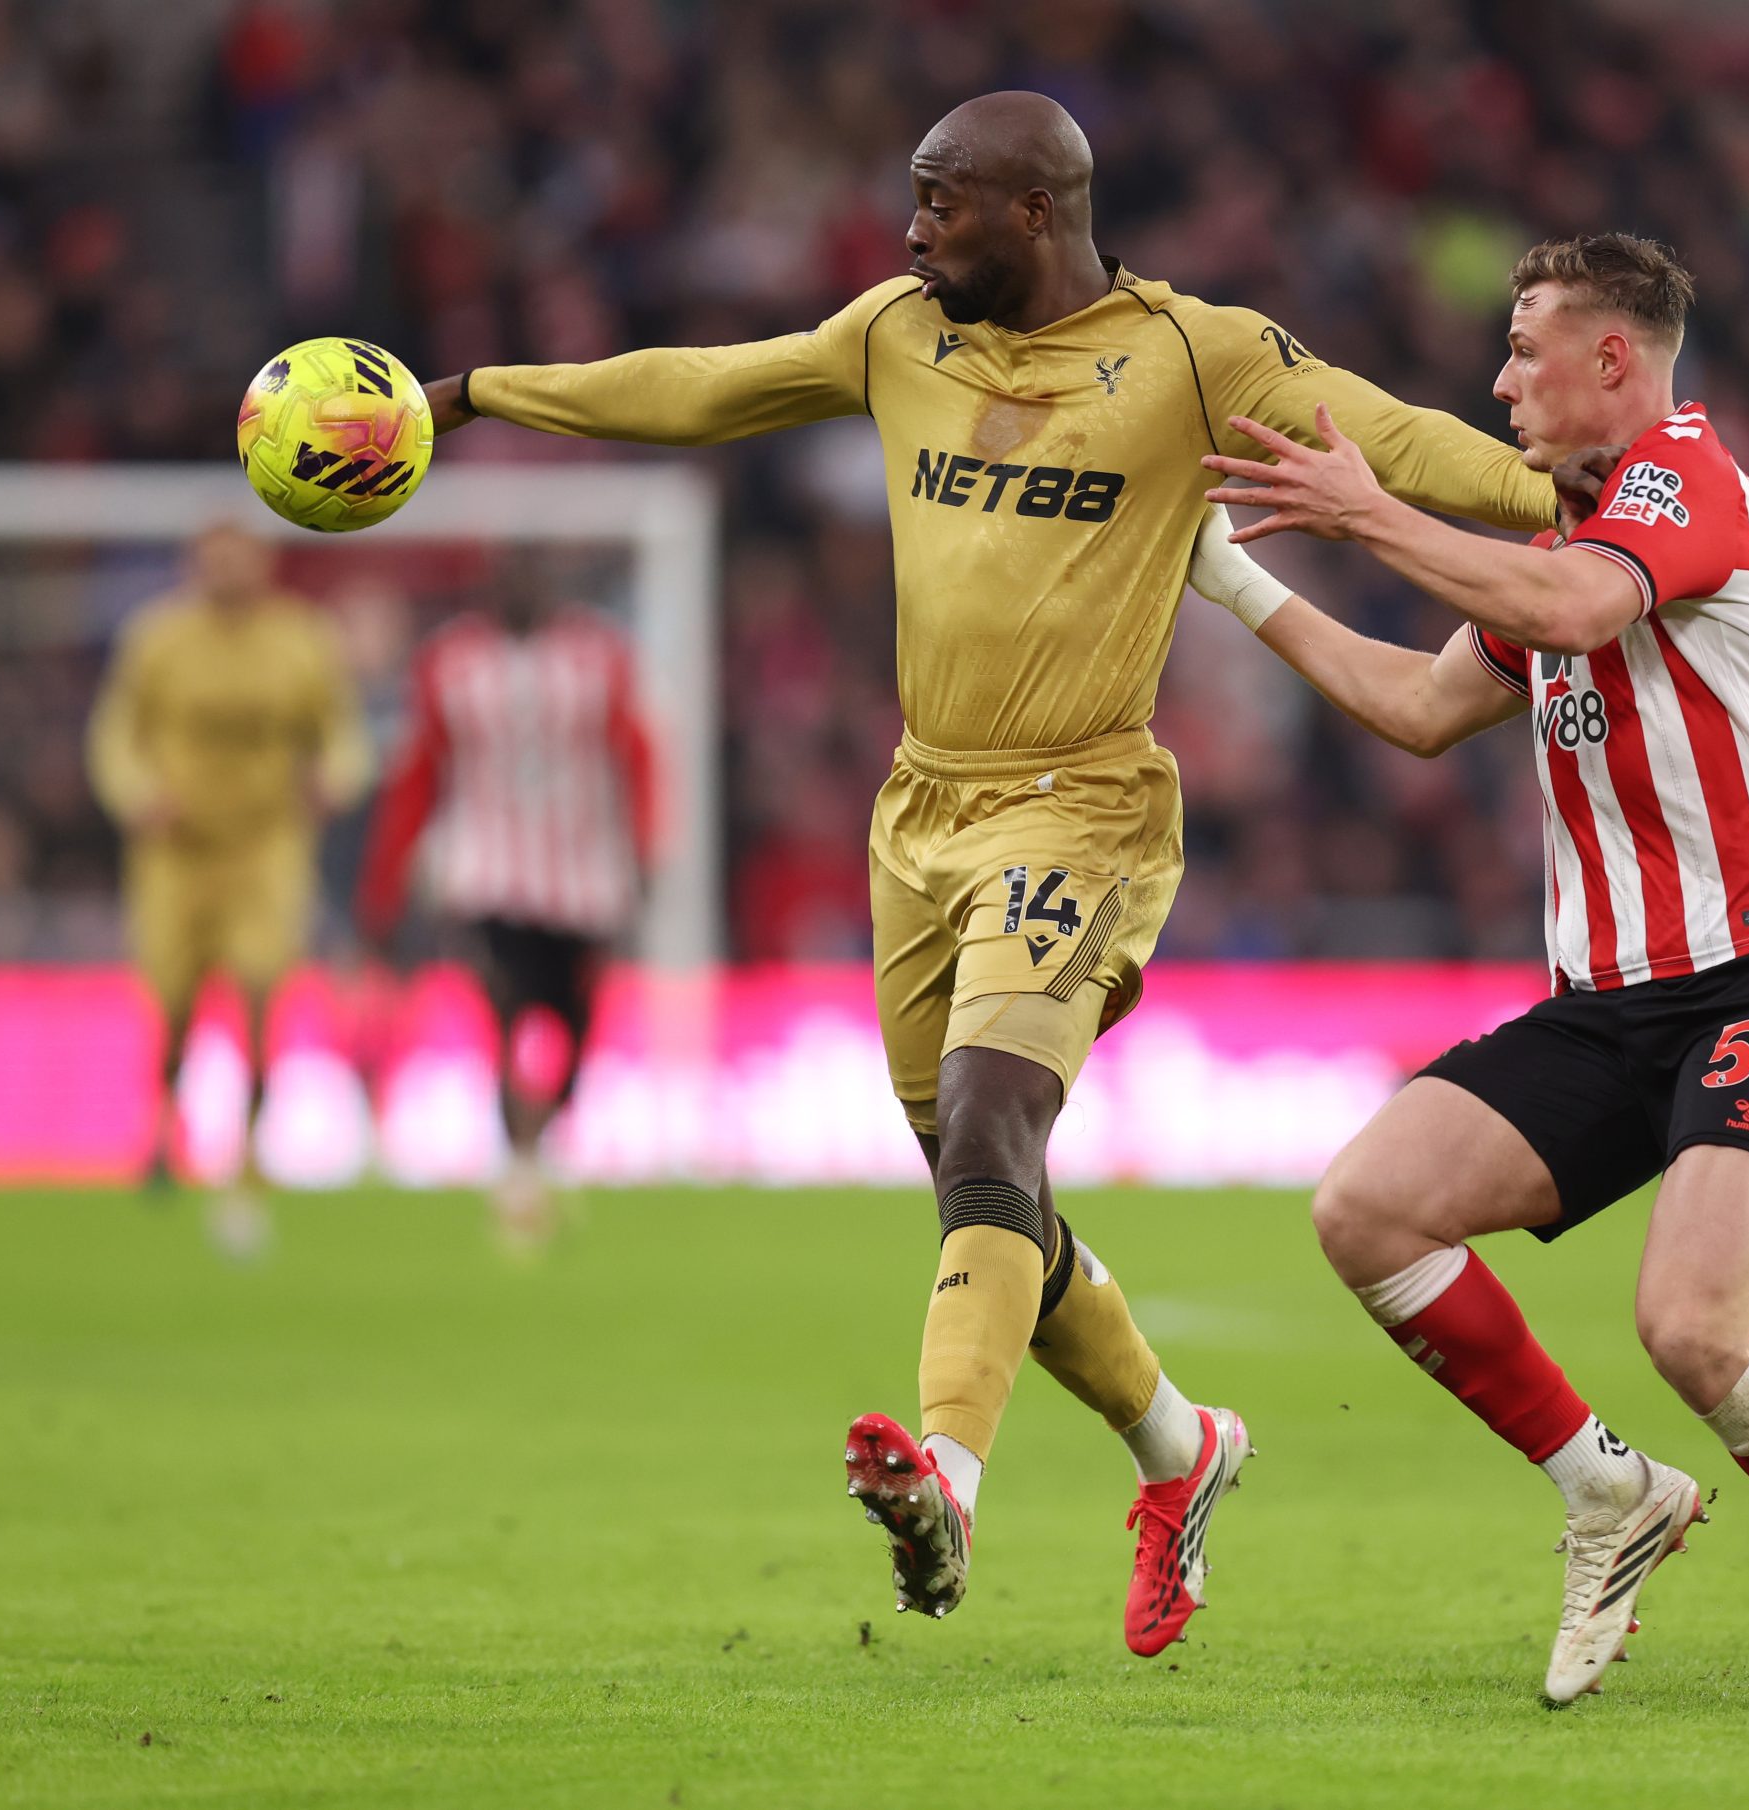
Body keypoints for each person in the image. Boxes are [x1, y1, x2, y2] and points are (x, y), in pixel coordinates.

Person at [417, 91, 1563, 1650]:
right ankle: (1183, 1446)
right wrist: (478, 392)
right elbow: (702, 387)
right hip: (920, 810)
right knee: (989, 1188)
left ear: (1033, 211)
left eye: (938, 202)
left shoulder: (1193, 353)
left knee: (988, 1122)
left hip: (1080, 802)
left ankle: (946, 1476)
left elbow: (1401, 439)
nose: (909, 231)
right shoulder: (899, 331)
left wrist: (1583, 494)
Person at [1188, 232, 1749, 1713]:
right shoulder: (1565, 547)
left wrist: (1368, 513)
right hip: (1614, 1003)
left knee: (1695, 1330)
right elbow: (1423, 705)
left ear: (1611, 359)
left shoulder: (1684, 478)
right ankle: (1607, 1490)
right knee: (1366, 1208)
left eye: (1523, 347)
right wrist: (1232, 584)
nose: (1500, 381)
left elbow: (1574, 614)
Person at [355, 556, 661, 1250]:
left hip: (582, 881)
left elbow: (636, 754)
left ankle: (536, 1148)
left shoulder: (599, 657)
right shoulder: (451, 663)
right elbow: (419, 773)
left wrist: (643, 851)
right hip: (484, 876)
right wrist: (386, 883)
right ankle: (519, 1170)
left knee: (574, 1030)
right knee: (506, 1013)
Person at [87, 524, 372, 1256]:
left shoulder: (301, 640)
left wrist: (333, 779)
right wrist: (138, 794)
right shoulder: (158, 640)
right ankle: (162, 1125)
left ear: (263, 566)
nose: (228, 572)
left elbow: (342, 733)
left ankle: (245, 1159)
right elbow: (116, 735)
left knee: (258, 993)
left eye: (239, 559)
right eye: (215, 560)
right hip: (176, 852)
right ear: (195, 566)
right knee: (175, 1005)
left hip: (266, 844)